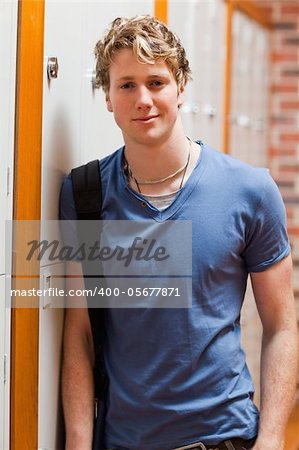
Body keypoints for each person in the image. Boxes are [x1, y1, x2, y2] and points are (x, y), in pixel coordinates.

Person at [60, 15, 298, 450]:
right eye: (126, 84)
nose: (143, 99)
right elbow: (80, 331)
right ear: (108, 98)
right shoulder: (85, 195)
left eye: (157, 82)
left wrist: (272, 439)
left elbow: (282, 324)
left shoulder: (249, 190)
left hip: (225, 439)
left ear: (181, 86)